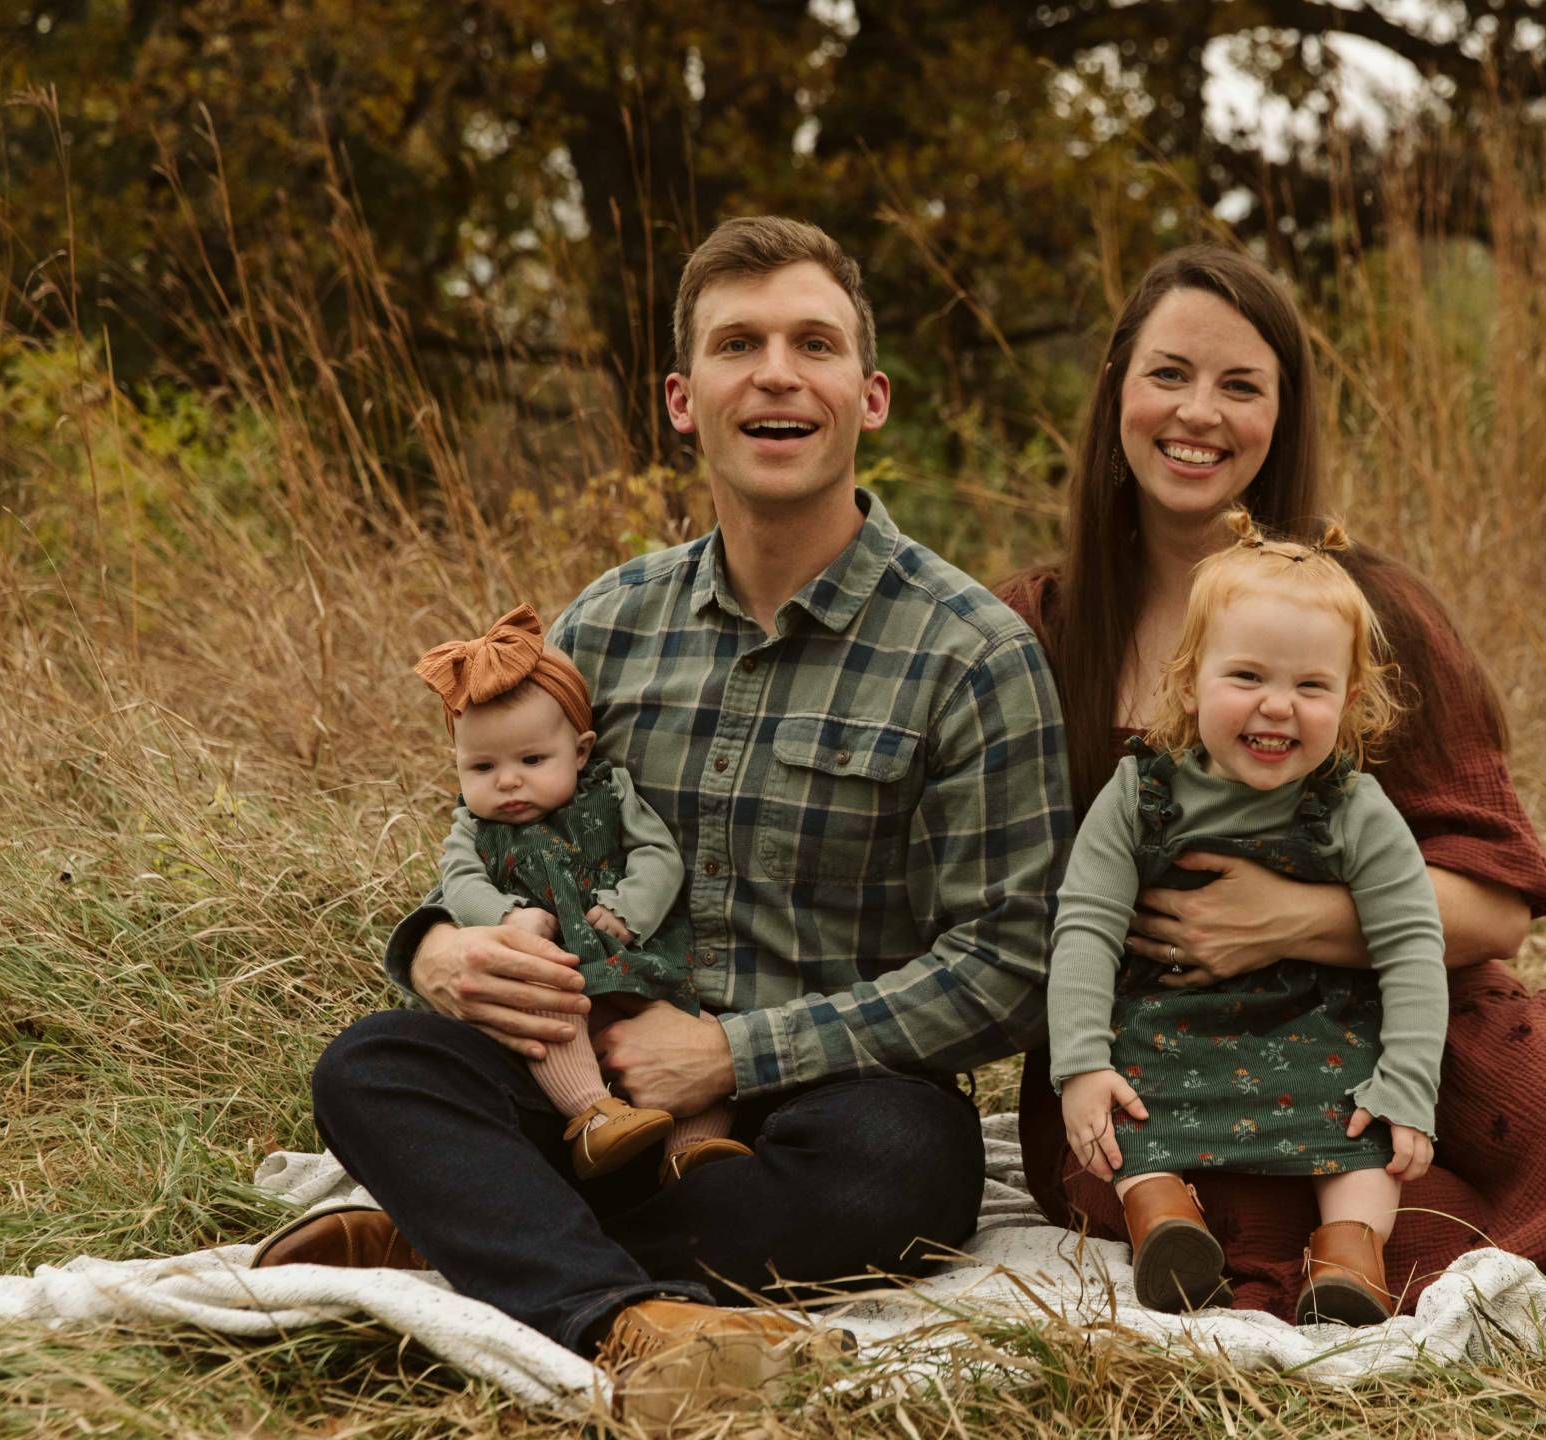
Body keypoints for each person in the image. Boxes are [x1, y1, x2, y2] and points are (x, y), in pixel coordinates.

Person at [256, 216, 1072, 1424]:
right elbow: (496, 823)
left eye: (815, 343)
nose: (778, 373)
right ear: (686, 400)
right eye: (739, 344)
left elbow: (1008, 971)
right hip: (596, 1078)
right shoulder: (610, 623)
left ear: (871, 395)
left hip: (828, 1100)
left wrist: (738, 1055)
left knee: (904, 1172)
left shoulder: (970, 653)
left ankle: (466, 1230)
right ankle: (635, 1324)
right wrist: (441, 944)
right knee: (374, 1065)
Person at [998, 243, 1546, 1320]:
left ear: (1285, 415)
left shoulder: (1369, 616)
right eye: (1169, 374)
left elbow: (1496, 909)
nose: (1199, 413)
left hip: (1405, 1007)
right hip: (1159, 1052)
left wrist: (1288, 922)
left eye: (1241, 385)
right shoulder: (1033, 631)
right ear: (1118, 393)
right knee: (1238, 1226)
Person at [1050, 510, 1446, 1324]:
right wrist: (1081, 1063)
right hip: (1169, 1022)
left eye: (1310, 687)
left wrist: (1408, 1082)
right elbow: (1085, 922)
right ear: (1189, 679)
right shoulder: (1140, 793)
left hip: (1317, 1024)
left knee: (1362, 1135)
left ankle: (1349, 1257)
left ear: (1350, 700)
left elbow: (1412, 944)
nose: (1277, 708)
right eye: (1248, 678)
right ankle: (1164, 1223)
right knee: (1128, 1121)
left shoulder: (1354, 808)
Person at [413, 603, 743, 1184]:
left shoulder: (610, 794)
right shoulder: (473, 827)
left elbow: (657, 855)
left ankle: (692, 1150)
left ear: (581, 751)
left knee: (690, 1022)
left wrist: (628, 910)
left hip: (630, 954)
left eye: (532, 760)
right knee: (547, 1012)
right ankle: (592, 1115)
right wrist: (508, 915)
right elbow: (460, 884)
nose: (508, 780)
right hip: (554, 969)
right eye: (481, 766)